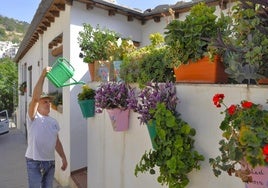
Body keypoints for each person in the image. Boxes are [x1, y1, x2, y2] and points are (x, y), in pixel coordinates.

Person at [25, 67, 67, 188]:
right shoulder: (33, 118)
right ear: (37, 106)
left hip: (50, 163)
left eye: (49, 102)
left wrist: (63, 158)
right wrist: (43, 76)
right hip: (34, 162)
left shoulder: (53, 122)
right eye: (45, 102)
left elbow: (56, 142)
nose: (48, 103)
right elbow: (35, 98)